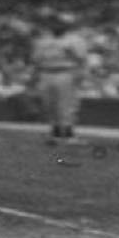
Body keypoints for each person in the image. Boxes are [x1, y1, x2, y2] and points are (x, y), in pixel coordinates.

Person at [30, 15, 86, 143]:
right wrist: (34, 75)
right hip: (46, 72)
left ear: (66, 26)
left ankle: (68, 133)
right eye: (55, 23)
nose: (57, 26)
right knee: (49, 103)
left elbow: (81, 59)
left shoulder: (75, 40)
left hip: (65, 72)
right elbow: (35, 59)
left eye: (60, 24)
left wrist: (79, 74)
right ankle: (55, 131)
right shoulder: (43, 40)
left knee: (66, 104)